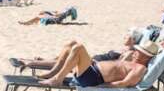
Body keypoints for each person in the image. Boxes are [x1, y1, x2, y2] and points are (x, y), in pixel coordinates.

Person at [12, 28, 144, 78]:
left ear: (133, 39)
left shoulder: (131, 53)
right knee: (71, 44)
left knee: (70, 53)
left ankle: (29, 62)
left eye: (127, 36)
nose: (124, 37)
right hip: (92, 61)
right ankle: (32, 61)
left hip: (94, 66)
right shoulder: (125, 49)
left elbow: (119, 65)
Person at [39, 40, 159, 87]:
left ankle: (57, 79)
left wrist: (101, 88)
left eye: (139, 51)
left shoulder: (140, 68)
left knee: (79, 47)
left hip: (92, 78)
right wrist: (126, 56)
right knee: (71, 44)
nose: (136, 51)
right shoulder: (131, 61)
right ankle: (54, 72)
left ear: (146, 56)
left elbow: (124, 83)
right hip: (91, 69)